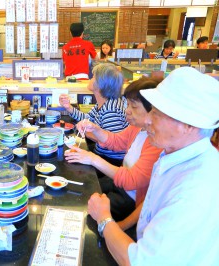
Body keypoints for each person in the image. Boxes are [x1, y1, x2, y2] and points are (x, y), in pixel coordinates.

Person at [87, 67, 219, 265]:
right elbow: (148, 205)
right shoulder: (173, 155)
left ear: (189, 125)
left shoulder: (194, 188)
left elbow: (137, 261)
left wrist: (104, 218)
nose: (147, 120)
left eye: (157, 114)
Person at [66, 77, 163, 221]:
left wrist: (93, 159)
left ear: (153, 110)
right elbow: (116, 141)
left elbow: (131, 180)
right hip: (119, 184)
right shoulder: (137, 127)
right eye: (127, 104)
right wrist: (95, 129)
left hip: (131, 198)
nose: (127, 111)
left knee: (83, 206)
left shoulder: (157, 142)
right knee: (80, 189)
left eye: (134, 107)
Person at [59, 63, 129, 166]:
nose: (90, 79)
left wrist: (87, 132)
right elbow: (87, 119)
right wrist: (68, 107)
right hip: (100, 153)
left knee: (67, 162)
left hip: (109, 160)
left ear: (101, 85)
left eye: (94, 77)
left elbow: (111, 143)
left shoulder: (111, 110)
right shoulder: (104, 102)